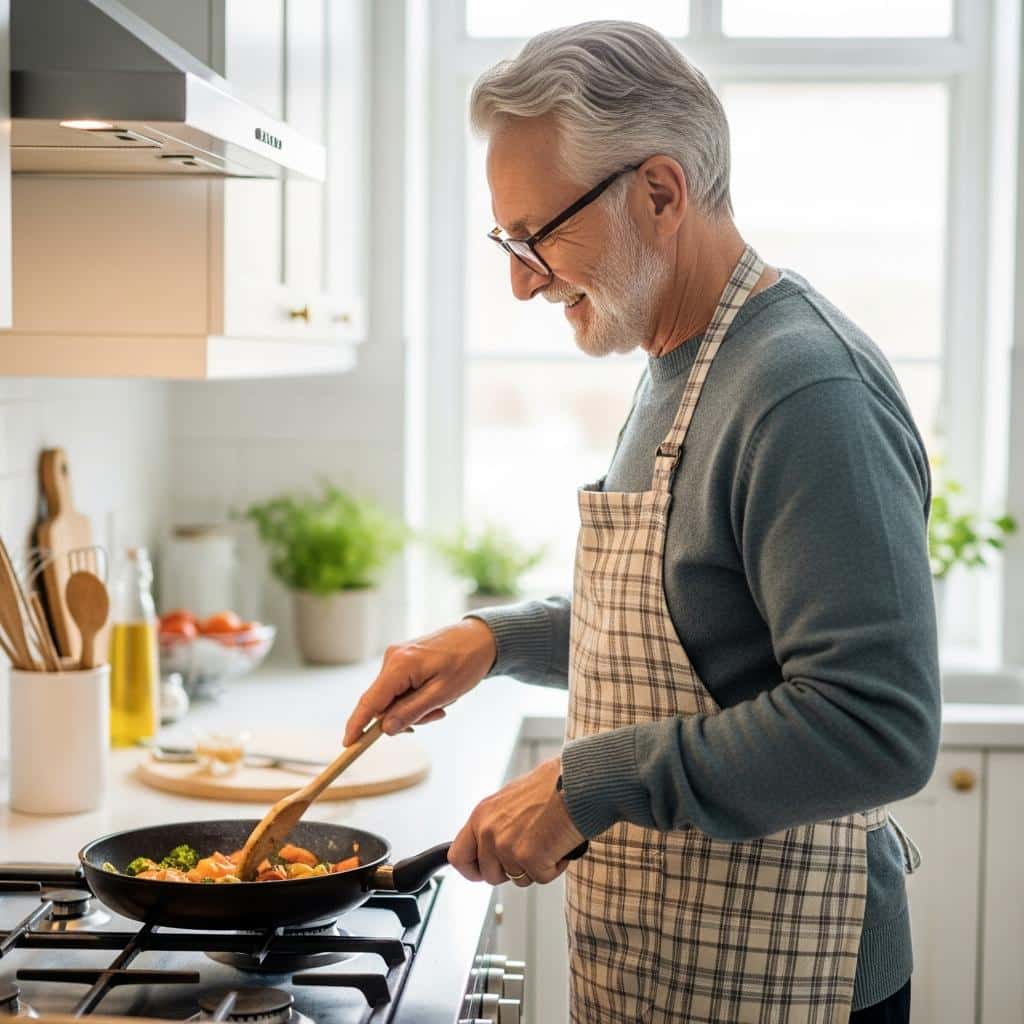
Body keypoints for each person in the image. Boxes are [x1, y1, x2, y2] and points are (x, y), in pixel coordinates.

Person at [345, 19, 939, 1023]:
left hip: (788, 978)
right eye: (507, 239)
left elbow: (876, 725)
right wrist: (492, 639)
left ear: (660, 192)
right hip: (680, 958)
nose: (521, 277)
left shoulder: (801, 386)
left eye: (538, 235)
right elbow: (692, 623)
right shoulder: (675, 360)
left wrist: (592, 781)